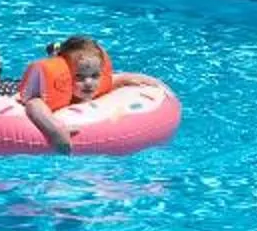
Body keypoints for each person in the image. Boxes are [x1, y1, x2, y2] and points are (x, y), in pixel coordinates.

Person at [16, 35, 157, 154]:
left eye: (95, 75)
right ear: (64, 76)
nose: (89, 83)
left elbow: (113, 79)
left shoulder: (96, 86)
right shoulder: (54, 93)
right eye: (79, 77)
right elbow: (33, 104)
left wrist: (129, 80)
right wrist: (55, 130)